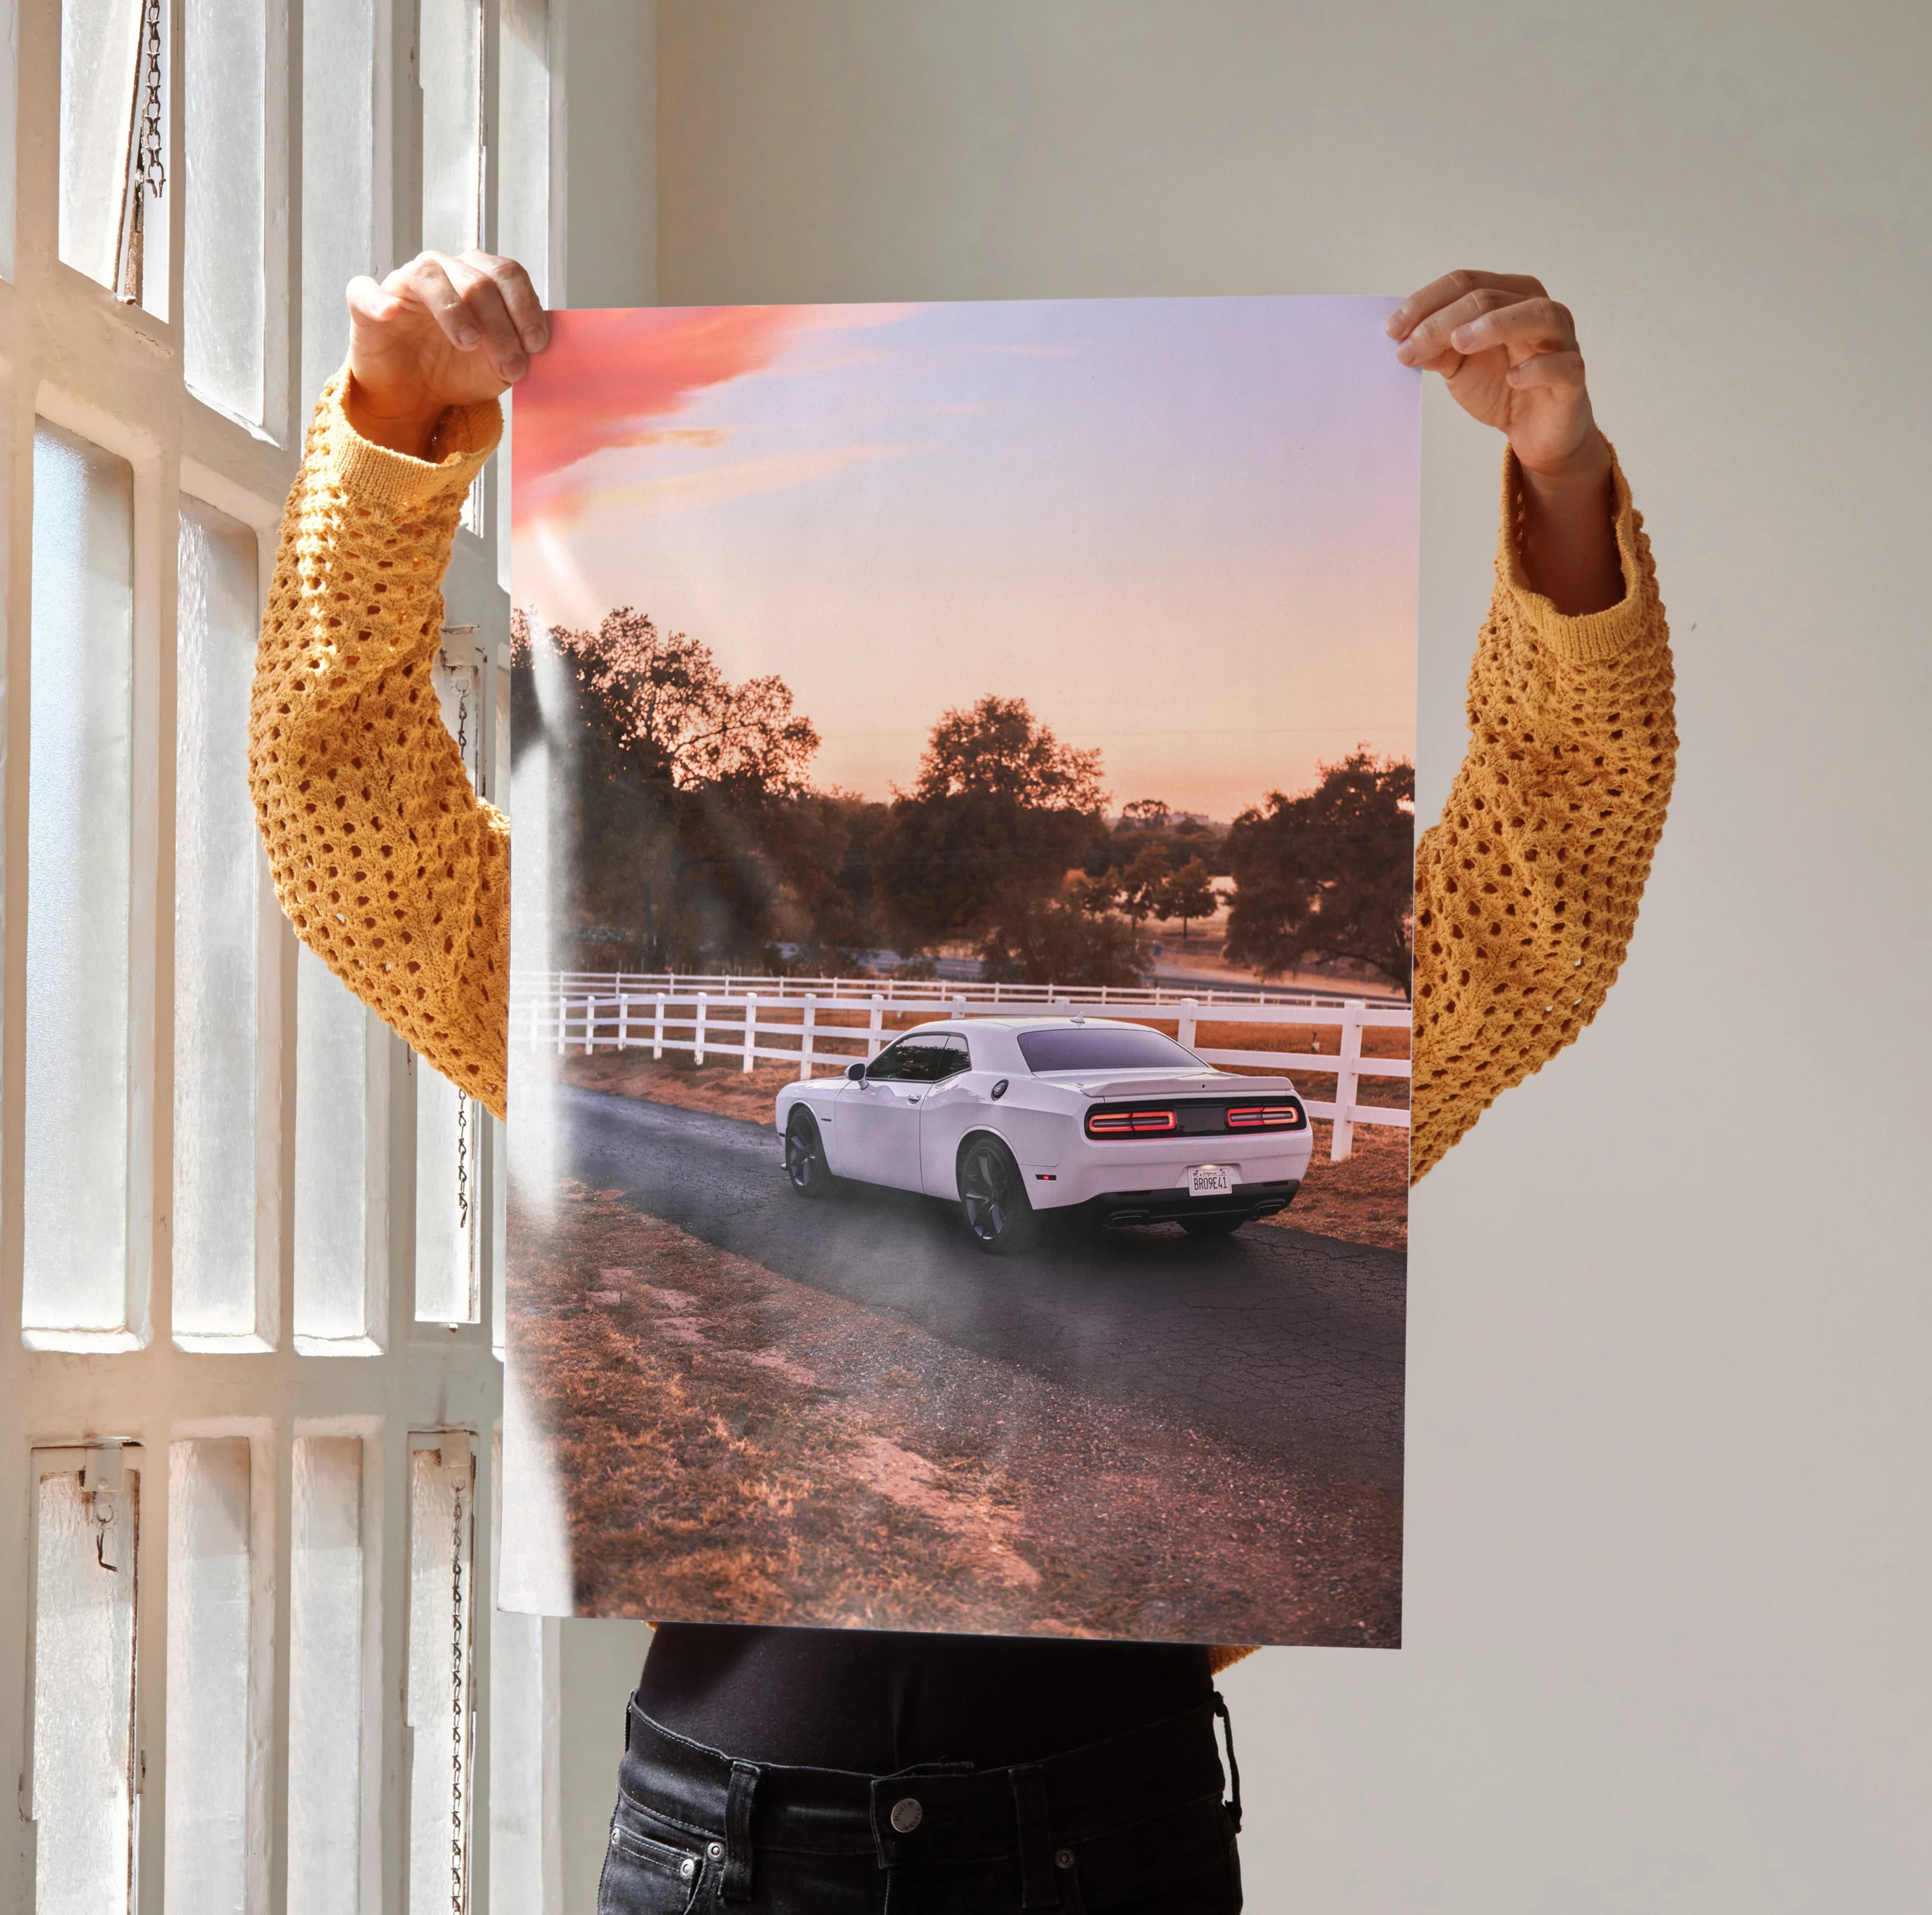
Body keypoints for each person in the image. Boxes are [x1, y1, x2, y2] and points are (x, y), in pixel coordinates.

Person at [250, 252, 1674, 1912]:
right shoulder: (562, 1004)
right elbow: (344, 821)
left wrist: (1562, 483)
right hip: (735, 1847)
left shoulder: (1199, 1081)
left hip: (1094, 1833)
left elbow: (1546, 887)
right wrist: (392, 428)